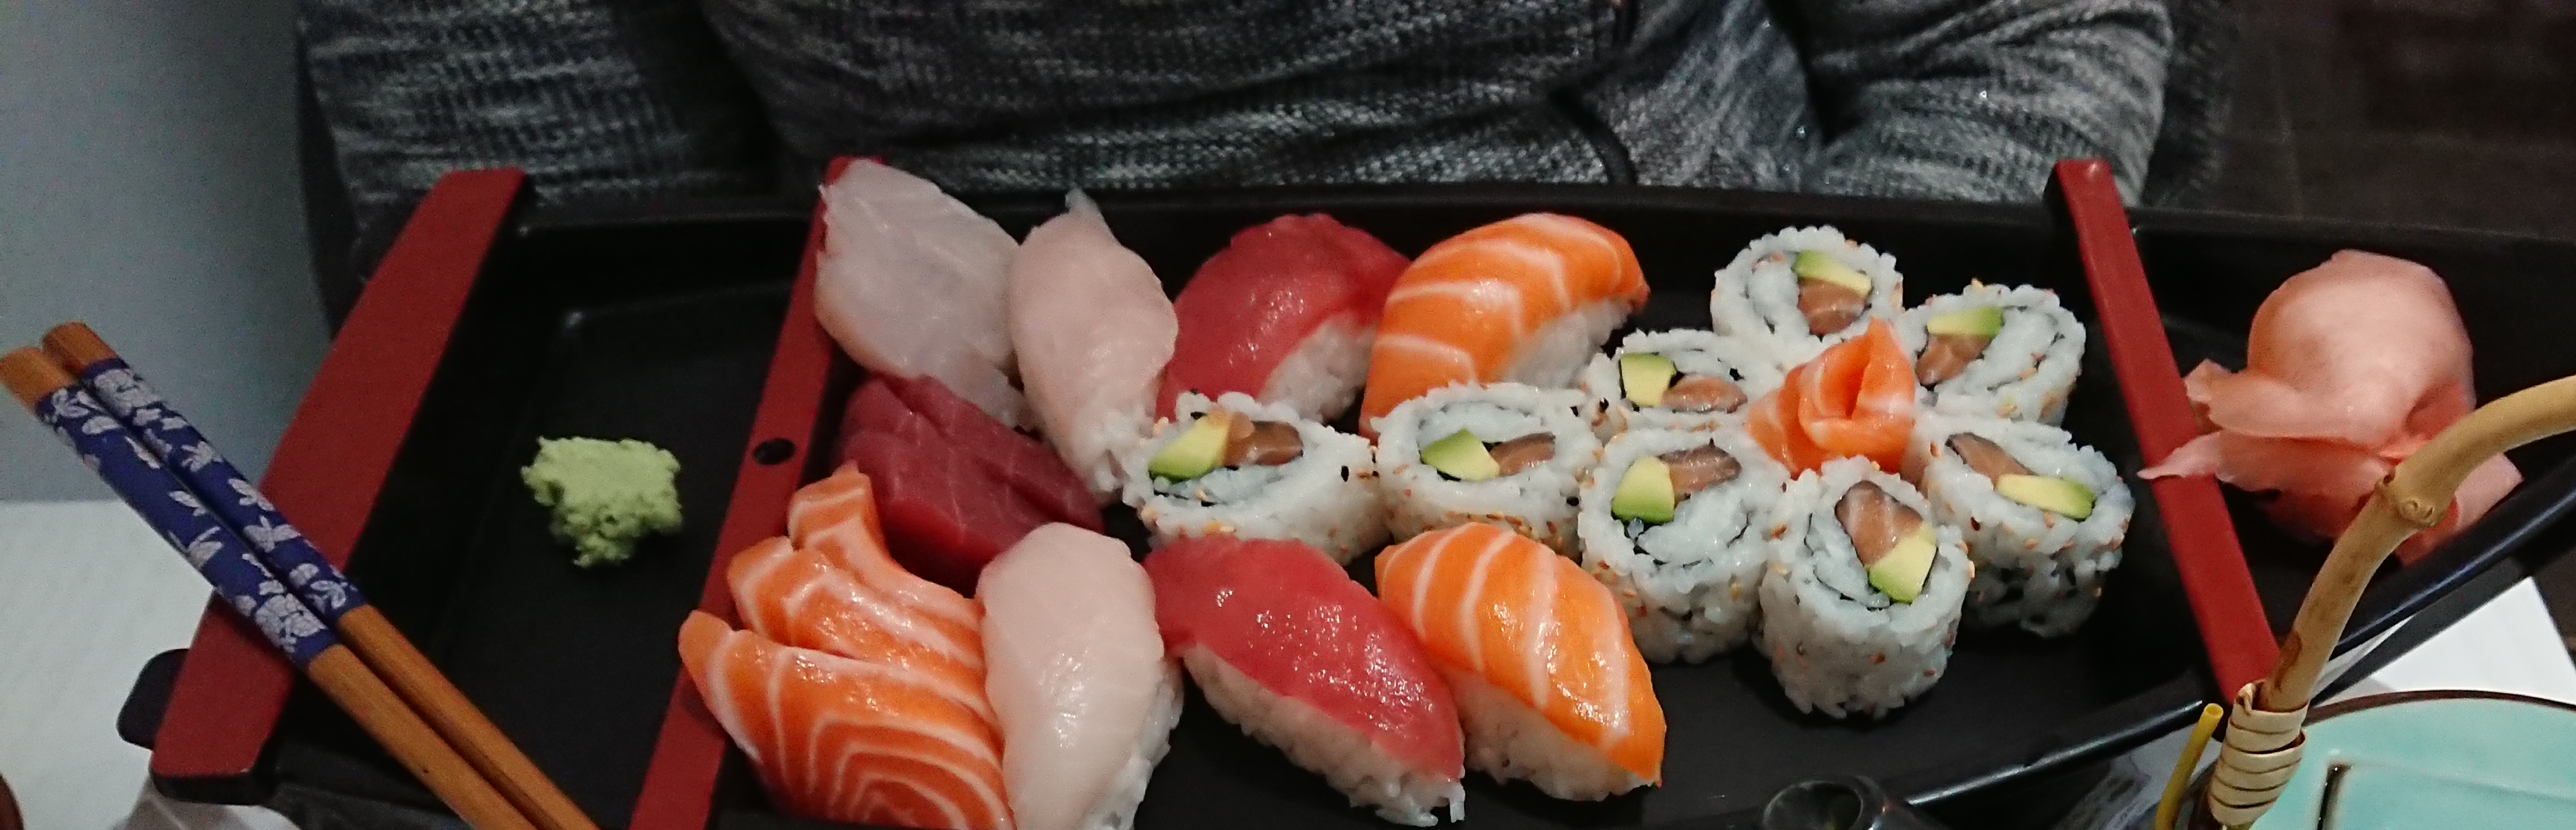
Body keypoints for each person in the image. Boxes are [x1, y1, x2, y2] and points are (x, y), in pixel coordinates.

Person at [296, 0, 2230, 284]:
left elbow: (2010, 37)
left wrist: (1831, 369)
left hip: (1709, 299)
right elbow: (545, 225)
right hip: (919, 374)